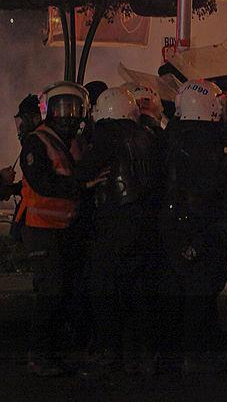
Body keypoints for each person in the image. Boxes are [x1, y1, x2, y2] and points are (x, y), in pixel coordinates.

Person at [77, 87, 163, 377]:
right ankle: (144, 355)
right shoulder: (147, 136)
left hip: (114, 224)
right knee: (139, 293)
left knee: (104, 289)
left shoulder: (107, 136)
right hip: (145, 224)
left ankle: (109, 352)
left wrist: (84, 181)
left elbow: (83, 171)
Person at [18, 82, 93, 376]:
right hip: (41, 228)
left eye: (73, 108)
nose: (68, 115)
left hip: (63, 227)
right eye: (62, 107)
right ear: (48, 109)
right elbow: (42, 182)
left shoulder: (69, 141)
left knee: (64, 290)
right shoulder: (37, 141)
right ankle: (39, 356)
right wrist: (81, 186)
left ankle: (54, 352)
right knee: (52, 291)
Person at [159, 80, 227, 371]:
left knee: (184, 292)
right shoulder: (203, 144)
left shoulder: (175, 136)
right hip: (197, 227)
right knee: (200, 291)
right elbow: (208, 194)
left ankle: (181, 353)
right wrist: (203, 236)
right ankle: (195, 355)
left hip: (177, 226)